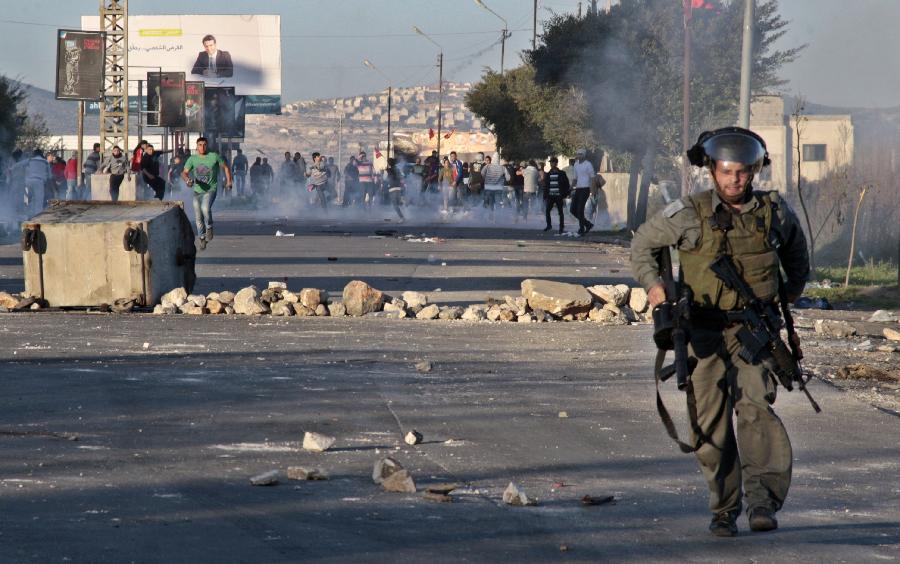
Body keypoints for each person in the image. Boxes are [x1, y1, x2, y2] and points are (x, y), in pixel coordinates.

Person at [630, 127, 810, 538]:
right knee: (708, 422)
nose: (735, 180)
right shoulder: (689, 212)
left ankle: (762, 502)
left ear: (754, 171)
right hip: (703, 333)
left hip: (755, 332)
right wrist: (656, 290)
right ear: (712, 170)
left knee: (756, 412)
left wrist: (791, 291)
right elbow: (643, 243)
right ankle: (724, 508)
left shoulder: (773, 212)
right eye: (727, 172)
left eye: (743, 172)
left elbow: (797, 253)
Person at [182, 137, 232, 251]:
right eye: (200, 145)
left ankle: (209, 226)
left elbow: (225, 167)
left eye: (204, 144)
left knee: (205, 208)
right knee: (198, 217)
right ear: (196, 146)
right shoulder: (192, 159)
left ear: (207, 145)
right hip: (197, 191)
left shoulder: (213, 156)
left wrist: (229, 181)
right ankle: (202, 238)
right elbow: (184, 173)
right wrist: (187, 180)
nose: (202, 147)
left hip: (211, 189)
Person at [18, 149, 51, 215]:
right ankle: (37, 218)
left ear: (34, 154)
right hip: (39, 182)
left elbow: (19, 164)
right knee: (38, 201)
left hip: (28, 182)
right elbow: (50, 176)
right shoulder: (45, 162)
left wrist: (11, 169)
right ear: (41, 154)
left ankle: (28, 216)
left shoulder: (30, 160)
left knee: (29, 200)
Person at [571, 149, 595, 235]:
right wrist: (571, 187)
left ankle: (581, 229)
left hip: (586, 189)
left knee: (580, 210)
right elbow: (575, 178)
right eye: (577, 154)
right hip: (578, 189)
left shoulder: (588, 164)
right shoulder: (576, 164)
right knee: (572, 210)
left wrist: (592, 191)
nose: (578, 155)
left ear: (584, 155)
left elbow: (592, 178)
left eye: (580, 154)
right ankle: (588, 224)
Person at [542, 156, 569, 233]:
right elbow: (546, 186)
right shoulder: (548, 174)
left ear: (556, 163)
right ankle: (549, 225)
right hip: (550, 196)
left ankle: (561, 227)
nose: (551, 164)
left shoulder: (562, 173)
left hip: (558, 196)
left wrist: (565, 194)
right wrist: (545, 196)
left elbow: (566, 184)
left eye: (553, 162)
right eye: (550, 162)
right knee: (547, 211)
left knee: (560, 212)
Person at [481, 154, 510, 221]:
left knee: (491, 201)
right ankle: (498, 217)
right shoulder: (503, 168)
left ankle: (491, 216)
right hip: (498, 187)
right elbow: (508, 178)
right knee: (498, 202)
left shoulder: (487, 166)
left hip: (489, 187)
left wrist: (486, 178)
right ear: (498, 160)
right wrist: (503, 179)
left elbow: (482, 173)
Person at [384, 157, 405, 222]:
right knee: (397, 203)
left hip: (392, 188)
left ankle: (402, 217)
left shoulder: (387, 170)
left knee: (394, 204)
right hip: (398, 187)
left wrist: (384, 172)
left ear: (389, 163)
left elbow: (385, 178)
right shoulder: (398, 169)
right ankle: (402, 202)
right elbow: (402, 176)